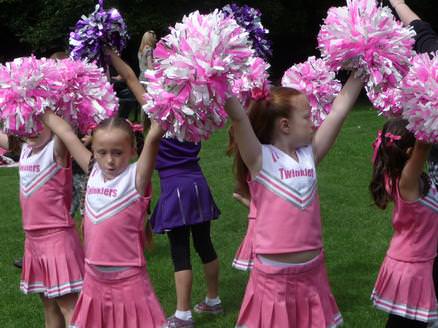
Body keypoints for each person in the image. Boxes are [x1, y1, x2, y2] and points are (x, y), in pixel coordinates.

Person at [225, 73, 363, 327]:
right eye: (308, 117)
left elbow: (338, 113)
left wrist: (361, 72)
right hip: (272, 278)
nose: (314, 123)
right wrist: (218, 80)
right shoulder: (259, 158)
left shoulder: (310, 154)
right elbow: (239, 118)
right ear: (285, 125)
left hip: (313, 272)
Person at [41, 50, 166, 328]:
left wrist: (169, 97)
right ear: (93, 152)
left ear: (133, 150)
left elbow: (155, 134)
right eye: (102, 152)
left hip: (129, 281)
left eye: (118, 152)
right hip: (94, 280)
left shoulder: (136, 177)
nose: (110, 160)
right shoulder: (93, 170)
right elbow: (66, 133)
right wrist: (39, 102)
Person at [0, 123, 84, 327]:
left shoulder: (56, 149)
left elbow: (64, 126)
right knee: (49, 306)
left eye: (40, 122)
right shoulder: (26, 148)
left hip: (57, 239)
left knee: (69, 306)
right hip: (33, 242)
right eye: (27, 122)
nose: (32, 128)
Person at [369, 118, 438, 327]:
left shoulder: (394, 173)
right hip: (412, 268)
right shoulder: (407, 181)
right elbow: (423, 145)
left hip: (417, 260)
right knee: (406, 324)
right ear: (410, 152)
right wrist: (431, 113)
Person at [150, 136, 222, 328]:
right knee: (205, 245)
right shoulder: (192, 118)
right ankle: (213, 300)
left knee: (180, 253)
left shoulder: (161, 117)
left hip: (175, 188)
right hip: (198, 183)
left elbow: (147, 106)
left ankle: (183, 314)